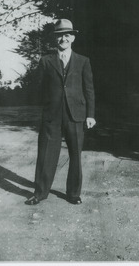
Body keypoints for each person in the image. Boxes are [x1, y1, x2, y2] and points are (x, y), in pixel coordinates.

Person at [25, 19, 96, 205]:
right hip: (52, 115)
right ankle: (40, 192)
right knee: (46, 153)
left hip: (76, 114)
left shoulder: (83, 61)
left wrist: (90, 114)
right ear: (55, 39)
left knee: (76, 155)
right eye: (59, 36)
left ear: (72, 37)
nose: (63, 38)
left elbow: (89, 89)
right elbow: (38, 88)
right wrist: (44, 106)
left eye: (66, 35)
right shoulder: (46, 61)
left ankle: (73, 194)